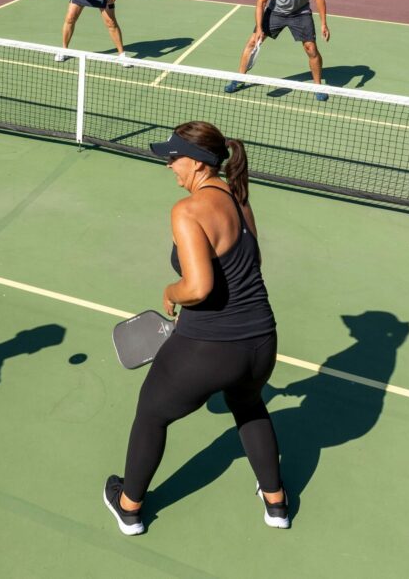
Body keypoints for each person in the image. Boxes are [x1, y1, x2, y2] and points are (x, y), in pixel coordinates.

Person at [104, 122, 288, 535]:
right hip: (262, 341)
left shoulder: (187, 211)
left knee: (151, 412)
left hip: (212, 346)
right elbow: (250, 266)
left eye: (174, 158)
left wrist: (171, 291)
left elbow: (199, 287)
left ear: (200, 163)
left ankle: (129, 506)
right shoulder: (240, 201)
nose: (170, 166)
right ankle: (276, 502)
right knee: (248, 404)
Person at [225, 0, 331, 100]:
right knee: (253, 42)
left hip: (300, 13)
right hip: (275, 12)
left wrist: (324, 23)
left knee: (311, 48)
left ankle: (317, 86)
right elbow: (261, 2)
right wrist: (260, 28)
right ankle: (239, 79)